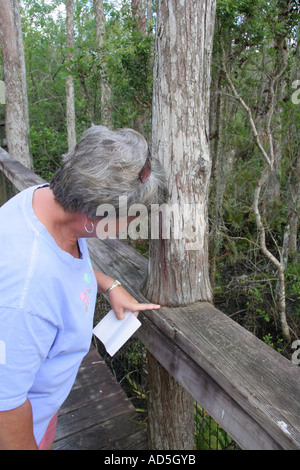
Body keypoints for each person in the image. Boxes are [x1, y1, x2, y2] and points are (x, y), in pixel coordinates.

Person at [0, 126, 166, 450]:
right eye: (130, 219)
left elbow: (60, 265)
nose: (131, 229)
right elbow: (5, 405)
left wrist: (106, 284)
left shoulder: (43, 201)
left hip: (41, 408)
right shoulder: (25, 293)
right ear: (93, 214)